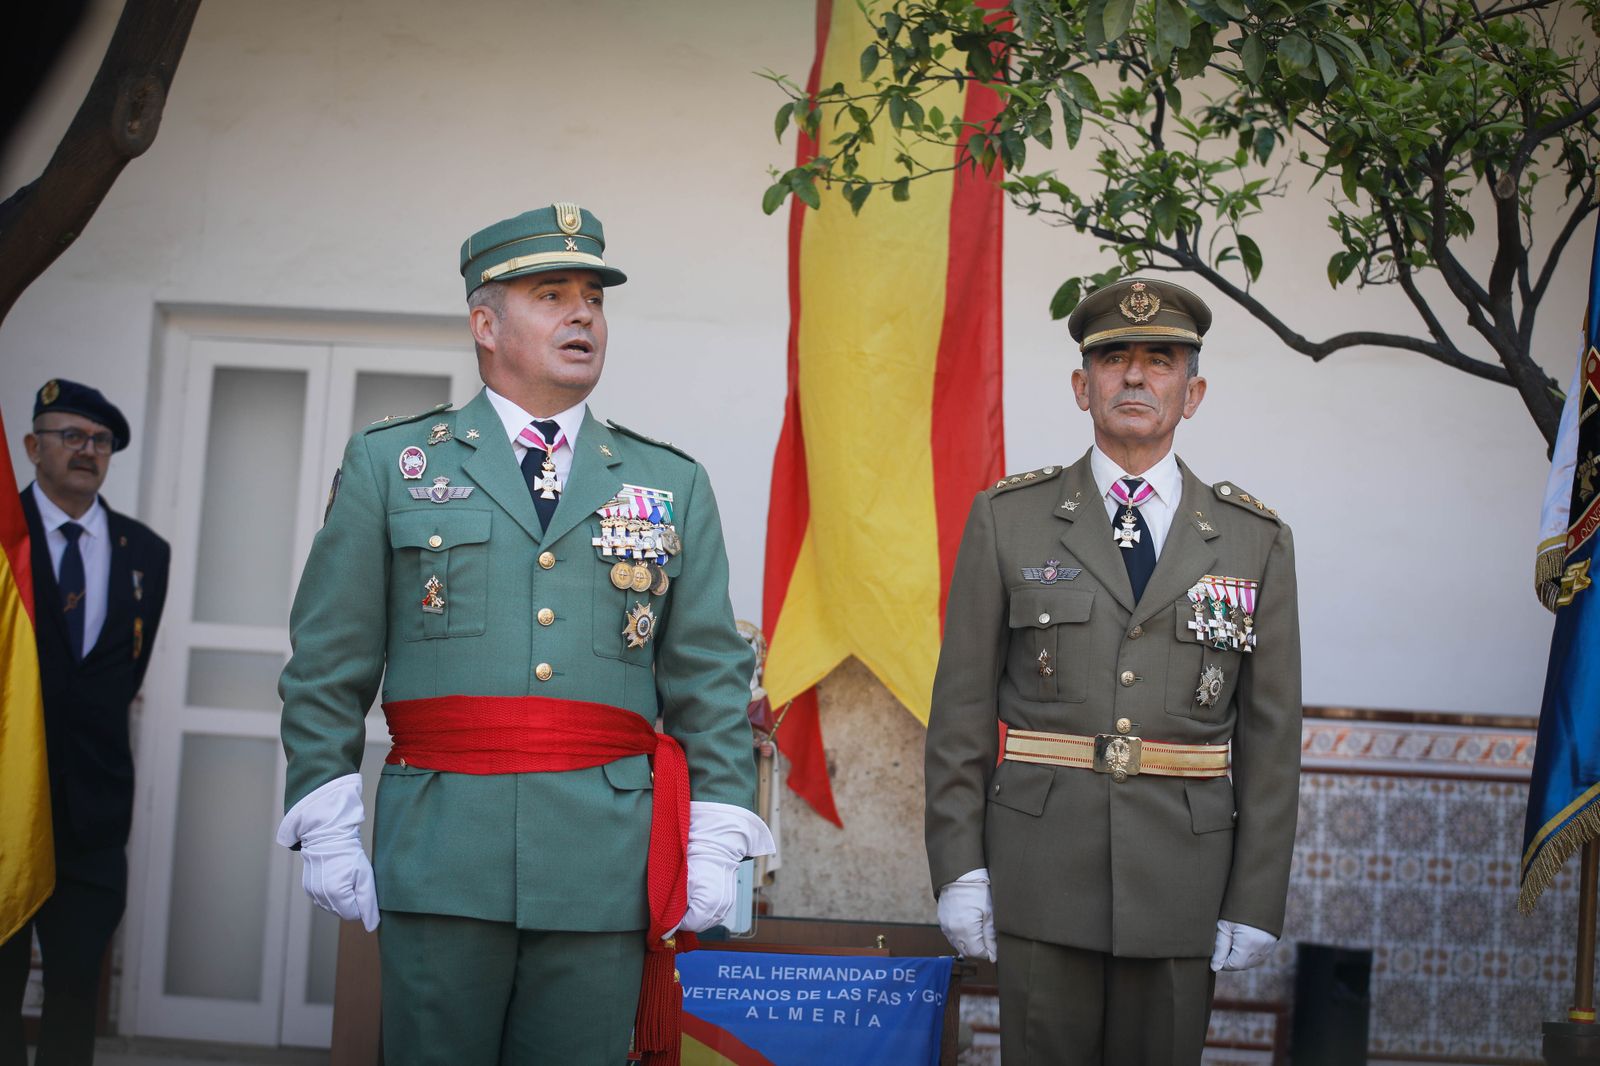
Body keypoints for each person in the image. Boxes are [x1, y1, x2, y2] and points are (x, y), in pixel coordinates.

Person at [275, 202, 772, 1065]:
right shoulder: (392, 464)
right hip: (441, 848)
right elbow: (329, 661)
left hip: (602, 855)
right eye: (552, 294)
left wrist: (720, 823)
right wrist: (322, 807)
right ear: (485, 323)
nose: (583, 314)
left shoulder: (667, 481)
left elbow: (704, 673)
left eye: (595, 298)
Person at [924, 277, 1301, 1064]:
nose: (1135, 377)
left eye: (1159, 361)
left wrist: (1257, 898)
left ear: (1192, 393)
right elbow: (959, 713)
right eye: (1114, 358)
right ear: (1080, 385)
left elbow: (1272, 742)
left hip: (1182, 881)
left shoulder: (1251, 539)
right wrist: (959, 869)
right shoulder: (1009, 518)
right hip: (1040, 873)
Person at [0, 380, 170, 1066]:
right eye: (70, 436)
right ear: (33, 446)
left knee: (74, 994)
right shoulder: (3, 538)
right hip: (8, 810)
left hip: (94, 817)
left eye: (98, 441)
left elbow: (121, 676)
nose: (86, 450)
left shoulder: (144, 552)